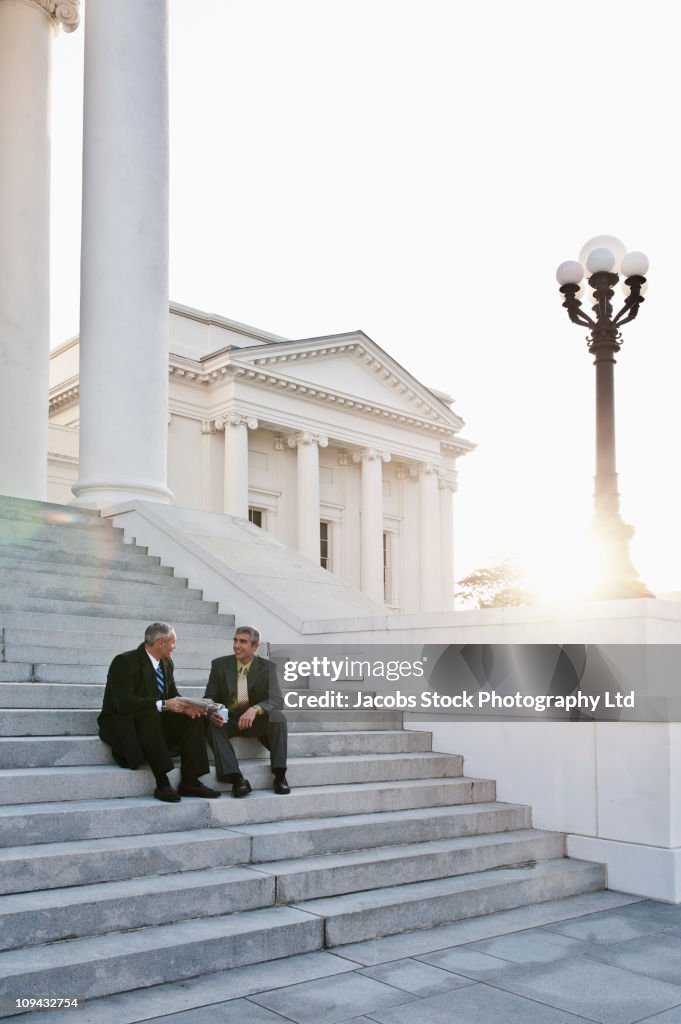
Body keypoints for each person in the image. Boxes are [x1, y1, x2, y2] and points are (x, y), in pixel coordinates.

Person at [98, 622, 221, 803]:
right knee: (151, 714)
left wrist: (188, 707)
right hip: (124, 722)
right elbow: (123, 704)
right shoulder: (124, 662)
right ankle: (162, 783)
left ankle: (190, 781)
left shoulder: (166, 662)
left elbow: (172, 695)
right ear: (160, 643)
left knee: (194, 718)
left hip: (153, 722)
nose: (175, 647)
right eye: (173, 642)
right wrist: (163, 704)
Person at [205, 625, 290, 797]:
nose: (237, 645)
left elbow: (277, 699)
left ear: (255, 646)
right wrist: (215, 712)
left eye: (243, 641)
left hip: (254, 720)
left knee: (278, 717)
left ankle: (280, 775)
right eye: (235, 640)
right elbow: (209, 698)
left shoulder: (267, 667)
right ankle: (237, 779)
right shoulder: (219, 665)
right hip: (228, 718)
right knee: (211, 724)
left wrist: (256, 709)